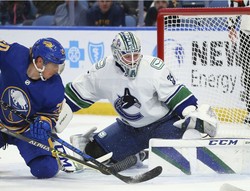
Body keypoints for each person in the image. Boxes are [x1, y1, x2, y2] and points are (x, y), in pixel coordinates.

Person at [64, 31, 217, 164]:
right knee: (93, 152)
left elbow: (176, 94)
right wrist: (52, 112)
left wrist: (191, 113)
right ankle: (138, 155)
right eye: (126, 56)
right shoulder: (102, 71)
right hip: (129, 130)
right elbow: (75, 95)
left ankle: (144, 153)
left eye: (135, 55)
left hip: (163, 125)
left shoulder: (153, 68)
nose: (132, 60)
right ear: (116, 54)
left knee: (188, 143)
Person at [0, 37, 66, 178]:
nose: (57, 70)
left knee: (45, 169)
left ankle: (53, 151)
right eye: (54, 65)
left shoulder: (55, 87)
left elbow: (51, 115)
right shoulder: (14, 55)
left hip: (26, 130)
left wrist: (44, 123)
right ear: (40, 62)